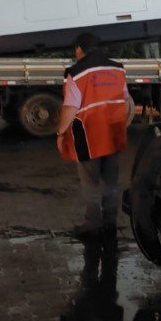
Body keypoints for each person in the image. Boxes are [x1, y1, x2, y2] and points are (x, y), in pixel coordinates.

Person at [57, 33, 133, 239]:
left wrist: (61, 132)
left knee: (90, 181)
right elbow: (126, 102)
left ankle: (92, 223)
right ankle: (110, 222)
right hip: (113, 133)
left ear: (80, 49)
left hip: (88, 136)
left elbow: (71, 107)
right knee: (110, 181)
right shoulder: (117, 68)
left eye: (76, 49)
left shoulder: (76, 72)